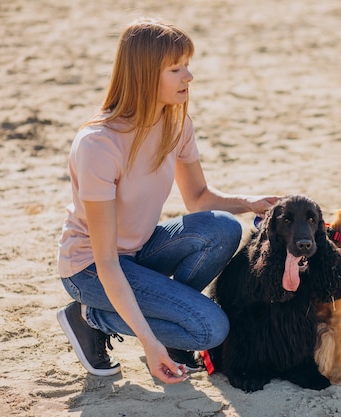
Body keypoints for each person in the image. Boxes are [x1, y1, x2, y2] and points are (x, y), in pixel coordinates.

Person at [56, 17, 280, 385]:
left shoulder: (176, 124)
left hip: (140, 251)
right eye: (176, 68)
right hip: (91, 267)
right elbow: (107, 261)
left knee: (223, 227)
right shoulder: (98, 144)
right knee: (210, 329)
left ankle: (170, 318)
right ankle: (88, 318)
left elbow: (198, 198)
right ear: (144, 75)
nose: (188, 76)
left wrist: (250, 202)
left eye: (187, 66)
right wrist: (149, 341)